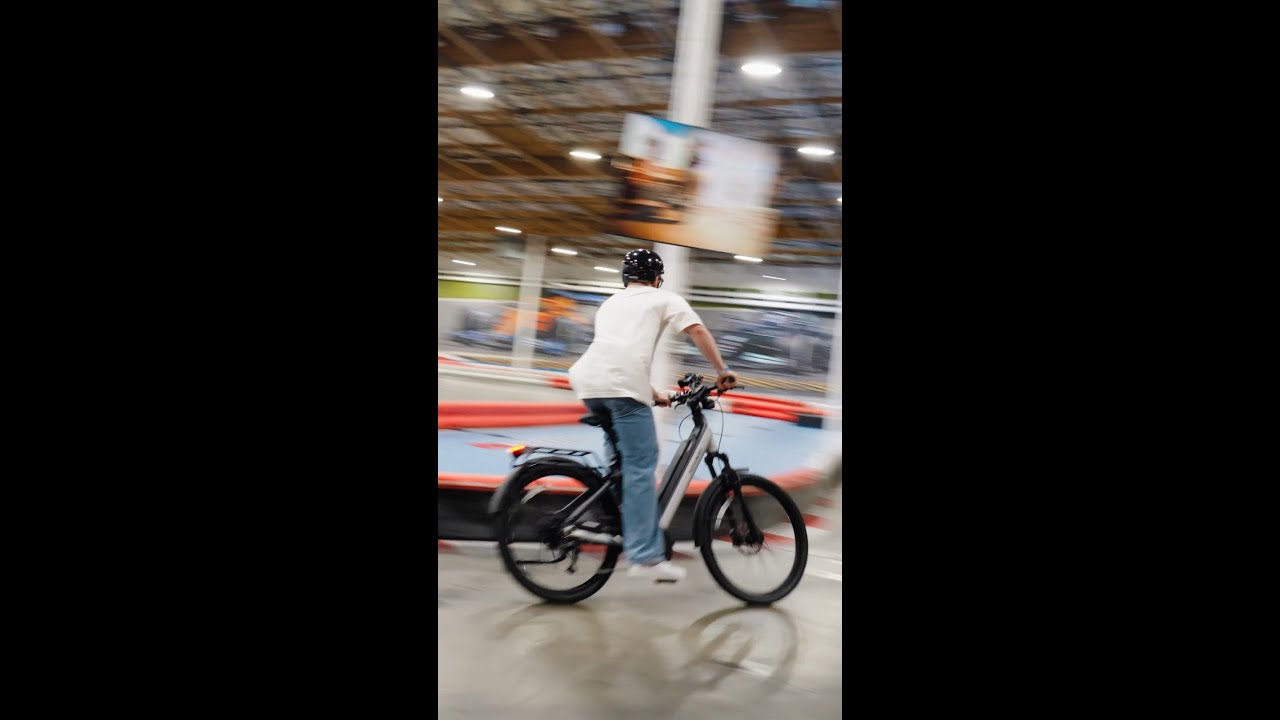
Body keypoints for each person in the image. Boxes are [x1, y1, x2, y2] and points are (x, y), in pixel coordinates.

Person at [567, 249, 737, 583]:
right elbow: (697, 331)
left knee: (621, 467)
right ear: (657, 279)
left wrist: (652, 392)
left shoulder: (610, 303)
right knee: (642, 467)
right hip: (622, 387)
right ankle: (645, 557)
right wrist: (723, 371)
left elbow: (616, 353)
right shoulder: (665, 298)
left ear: (625, 277)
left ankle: (620, 528)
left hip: (589, 383)